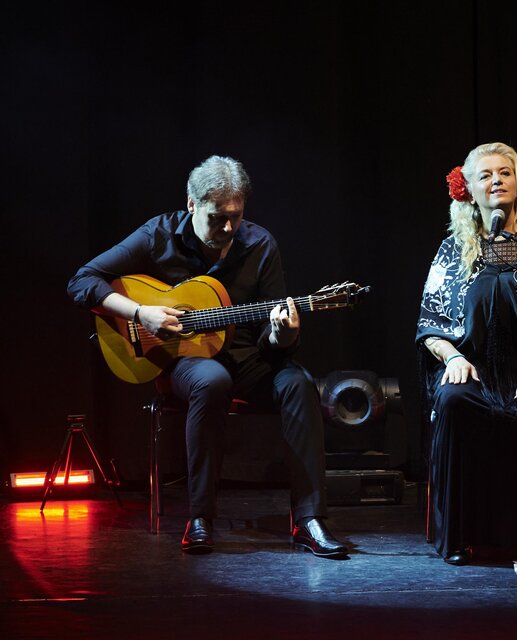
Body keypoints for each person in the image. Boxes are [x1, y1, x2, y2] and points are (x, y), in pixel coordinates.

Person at [68, 155, 347, 558]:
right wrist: (141, 313)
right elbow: (82, 281)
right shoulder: (158, 235)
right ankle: (200, 517)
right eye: (217, 218)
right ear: (192, 204)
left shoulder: (260, 245)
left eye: (236, 217)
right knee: (212, 381)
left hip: (249, 357)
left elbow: (272, 337)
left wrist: (282, 335)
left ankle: (309, 520)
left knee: (299, 384)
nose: (228, 228)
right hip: (185, 360)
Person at [416, 142, 517, 565]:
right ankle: (460, 537)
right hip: (471, 368)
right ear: (469, 189)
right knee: (455, 402)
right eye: (485, 175)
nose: (496, 181)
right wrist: (453, 358)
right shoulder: (454, 247)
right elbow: (430, 323)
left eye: (504, 173)